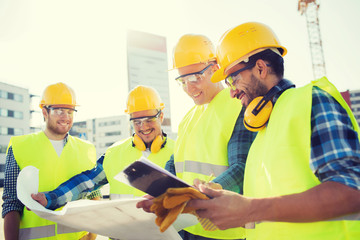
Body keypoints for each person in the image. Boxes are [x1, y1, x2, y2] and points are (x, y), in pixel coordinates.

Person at [187, 22, 360, 240]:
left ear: (260, 68)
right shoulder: (262, 131)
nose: (231, 92)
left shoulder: (310, 102)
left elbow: (353, 192)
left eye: (233, 79)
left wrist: (249, 209)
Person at [139, 34, 257, 240]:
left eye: (194, 79)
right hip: (187, 226)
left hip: (224, 231)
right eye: (182, 81)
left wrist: (204, 193)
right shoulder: (188, 118)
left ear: (215, 69)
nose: (188, 88)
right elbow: (175, 163)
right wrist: (161, 190)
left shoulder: (237, 107)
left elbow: (242, 168)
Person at [31, 85, 175, 209]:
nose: (143, 127)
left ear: (161, 116)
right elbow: (85, 183)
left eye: (149, 120)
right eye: (137, 122)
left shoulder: (178, 151)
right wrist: (50, 199)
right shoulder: (115, 153)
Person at [2, 82, 100, 240]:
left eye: (70, 111)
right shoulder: (20, 146)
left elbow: (94, 196)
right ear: (44, 112)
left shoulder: (86, 149)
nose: (66, 117)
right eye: (59, 110)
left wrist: (91, 236)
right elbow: (12, 202)